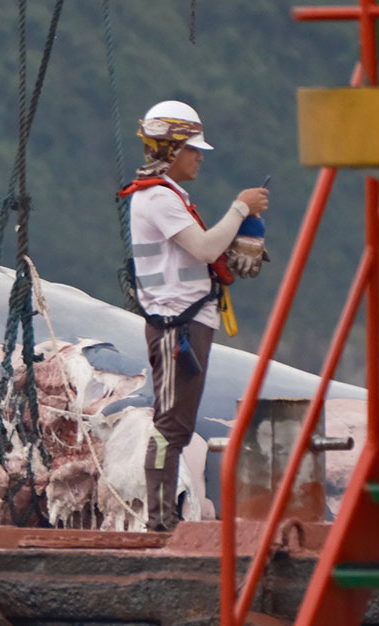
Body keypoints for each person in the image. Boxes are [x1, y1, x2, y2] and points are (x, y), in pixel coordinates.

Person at [121, 100, 270, 531]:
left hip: (185, 323)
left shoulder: (166, 195)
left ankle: (163, 519)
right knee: (171, 426)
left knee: (176, 425)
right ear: (170, 149)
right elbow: (204, 249)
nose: (199, 157)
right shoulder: (159, 198)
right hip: (177, 327)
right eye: (192, 149)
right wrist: (240, 209)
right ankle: (160, 523)